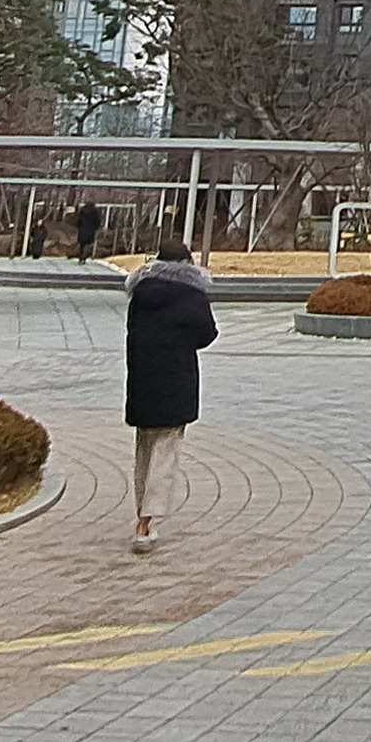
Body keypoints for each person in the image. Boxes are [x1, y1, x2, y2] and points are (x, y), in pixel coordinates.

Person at [124, 235, 219, 555]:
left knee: (144, 449)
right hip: (176, 380)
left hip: (142, 379)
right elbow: (207, 334)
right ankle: (147, 521)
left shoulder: (140, 293)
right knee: (165, 451)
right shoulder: (193, 295)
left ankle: (141, 512)